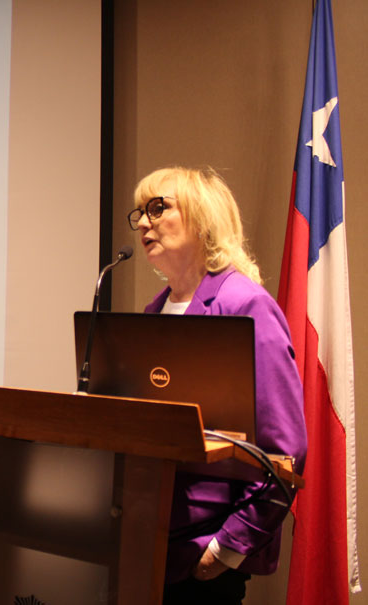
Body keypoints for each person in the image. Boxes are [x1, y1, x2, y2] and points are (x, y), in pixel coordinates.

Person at [127, 167, 307, 604]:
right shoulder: (154, 312)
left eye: (158, 207)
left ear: (202, 217)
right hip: (145, 543)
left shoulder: (245, 305)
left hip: (201, 557)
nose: (144, 222)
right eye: (140, 212)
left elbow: (286, 449)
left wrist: (226, 549)